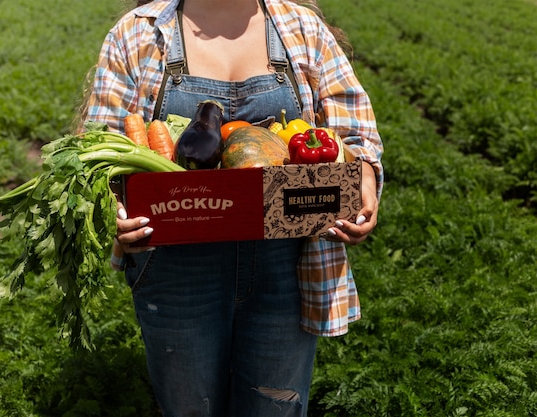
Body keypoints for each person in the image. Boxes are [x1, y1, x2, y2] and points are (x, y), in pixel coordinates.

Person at [79, 0, 383, 415]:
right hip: (177, 268)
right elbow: (97, 146)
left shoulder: (302, 28)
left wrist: (363, 177)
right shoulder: (138, 34)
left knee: (274, 406)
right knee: (190, 408)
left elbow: (356, 130)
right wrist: (113, 208)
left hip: (289, 266)